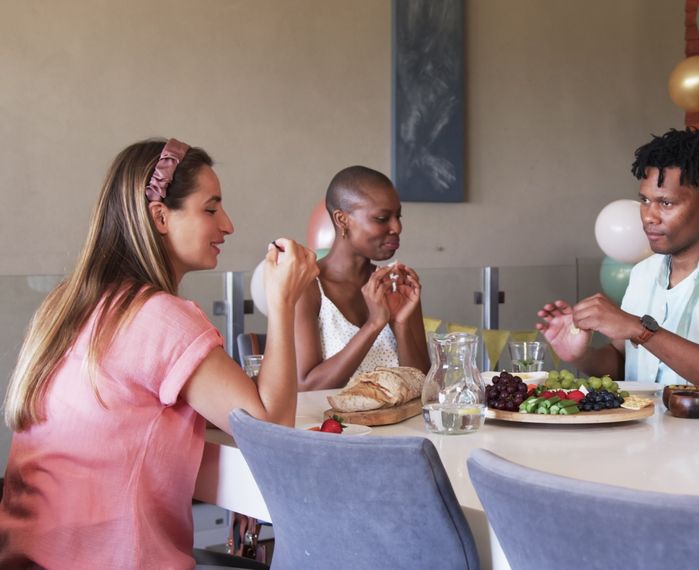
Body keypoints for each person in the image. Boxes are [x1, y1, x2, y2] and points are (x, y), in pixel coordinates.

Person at [0, 138, 319, 568]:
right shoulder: (159, 317)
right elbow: (272, 431)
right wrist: (283, 302)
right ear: (160, 217)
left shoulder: (66, 307)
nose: (228, 225)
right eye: (210, 209)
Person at [537, 128, 699, 400]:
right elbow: (621, 363)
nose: (649, 216)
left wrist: (640, 330)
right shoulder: (644, 272)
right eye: (644, 200)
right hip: (647, 436)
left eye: (665, 202)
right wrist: (582, 356)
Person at [294, 166, 429, 391]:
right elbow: (307, 386)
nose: (397, 227)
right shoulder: (307, 287)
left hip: (402, 426)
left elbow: (423, 386)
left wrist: (401, 324)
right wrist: (374, 324)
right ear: (342, 219)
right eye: (382, 218)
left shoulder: (395, 286)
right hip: (334, 426)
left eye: (398, 216)